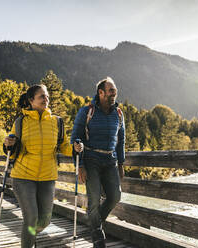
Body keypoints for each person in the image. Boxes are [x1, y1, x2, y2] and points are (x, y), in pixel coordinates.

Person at [3, 84, 83, 248]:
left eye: (47, 96)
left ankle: (29, 236)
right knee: (31, 218)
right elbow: (10, 147)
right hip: (23, 177)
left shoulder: (56, 122)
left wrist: (75, 149)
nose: (46, 99)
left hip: (47, 178)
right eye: (41, 96)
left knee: (45, 220)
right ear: (31, 100)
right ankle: (28, 242)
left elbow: (63, 147)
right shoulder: (21, 122)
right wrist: (7, 144)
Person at [71, 77, 125, 248]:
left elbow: (121, 140)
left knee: (115, 196)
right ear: (100, 93)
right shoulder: (87, 111)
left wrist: (121, 164)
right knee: (93, 200)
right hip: (91, 159)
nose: (114, 93)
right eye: (110, 90)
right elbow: (75, 138)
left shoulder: (118, 114)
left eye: (114, 90)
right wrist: (80, 166)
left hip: (111, 161)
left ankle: (94, 223)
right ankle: (97, 236)